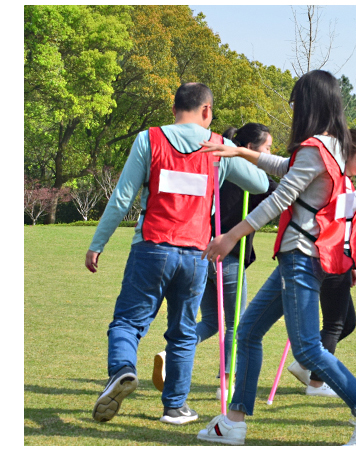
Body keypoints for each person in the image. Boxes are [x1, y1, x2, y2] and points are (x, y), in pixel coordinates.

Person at [195, 70, 356, 446]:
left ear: (309, 104)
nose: (292, 108)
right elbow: (288, 170)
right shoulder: (332, 146)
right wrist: (241, 152)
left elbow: (280, 198)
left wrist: (231, 236)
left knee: (306, 349)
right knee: (250, 332)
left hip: (300, 257)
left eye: (296, 101)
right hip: (302, 256)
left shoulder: (317, 147)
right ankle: (233, 421)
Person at [86, 82, 269, 425]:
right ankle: (175, 408)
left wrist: (98, 243)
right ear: (207, 111)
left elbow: (122, 199)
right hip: (197, 254)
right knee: (184, 331)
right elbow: (260, 185)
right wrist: (234, 152)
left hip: (152, 247)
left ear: (174, 109)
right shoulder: (218, 146)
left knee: (127, 322)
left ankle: (123, 370)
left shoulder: (149, 139)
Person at [151, 124, 278, 401]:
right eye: (267, 149)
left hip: (200, 252)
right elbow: (283, 195)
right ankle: (228, 382)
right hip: (228, 257)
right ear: (251, 149)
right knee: (236, 324)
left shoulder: (216, 166)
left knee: (212, 320)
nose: (270, 154)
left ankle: (169, 352)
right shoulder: (254, 178)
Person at [287, 129, 356, 398]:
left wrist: (351, 264)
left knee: (347, 323)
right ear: (346, 153)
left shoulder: (344, 180)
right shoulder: (336, 179)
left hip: (338, 262)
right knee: (335, 324)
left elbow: (345, 225)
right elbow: (343, 208)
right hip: (325, 259)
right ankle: (317, 382)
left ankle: (304, 363)